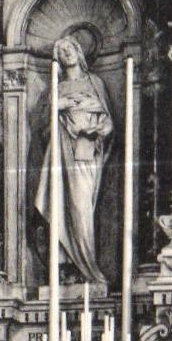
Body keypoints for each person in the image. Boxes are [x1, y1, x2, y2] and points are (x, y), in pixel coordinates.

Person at [35, 34, 114, 288]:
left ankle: (87, 266)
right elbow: (43, 130)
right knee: (59, 205)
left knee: (81, 209)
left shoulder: (95, 83)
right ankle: (64, 267)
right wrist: (58, 106)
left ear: (79, 52)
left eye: (70, 47)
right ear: (56, 58)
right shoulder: (54, 92)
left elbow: (109, 123)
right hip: (59, 155)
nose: (66, 52)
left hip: (85, 154)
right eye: (61, 50)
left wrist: (93, 131)